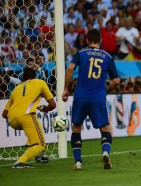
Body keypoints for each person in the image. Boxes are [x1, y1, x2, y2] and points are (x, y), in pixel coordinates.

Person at [62, 29, 120, 170]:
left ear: (87, 40)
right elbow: (116, 81)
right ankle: (105, 152)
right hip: (98, 97)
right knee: (105, 128)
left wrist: (65, 88)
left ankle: (78, 162)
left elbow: (70, 68)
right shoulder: (107, 56)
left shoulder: (80, 53)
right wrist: (105, 92)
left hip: (81, 96)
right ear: (100, 40)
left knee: (76, 127)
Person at [2, 67, 56, 168]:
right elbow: (53, 105)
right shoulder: (39, 82)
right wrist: (45, 109)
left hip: (12, 119)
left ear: (23, 79)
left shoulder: (17, 88)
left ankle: (38, 156)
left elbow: (4, 114)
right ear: (35, 76)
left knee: (34, 132)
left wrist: (17, 116)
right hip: (27, 115)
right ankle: (19, 162)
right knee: (41, 145)